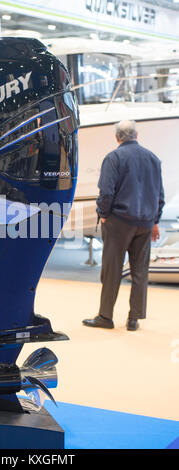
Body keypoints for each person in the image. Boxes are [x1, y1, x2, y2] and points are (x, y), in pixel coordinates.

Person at [83, 120, 165, 331]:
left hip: (119, 221)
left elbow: (107, 191)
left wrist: (103, 214)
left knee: (112, 270)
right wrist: (155, 220)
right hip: (145, 223)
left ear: (117, 137)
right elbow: (160, 196)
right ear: (136, 135)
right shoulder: (153, 159)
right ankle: (134, 319)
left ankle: (105, 317)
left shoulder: (114, 157)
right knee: (140, 271)